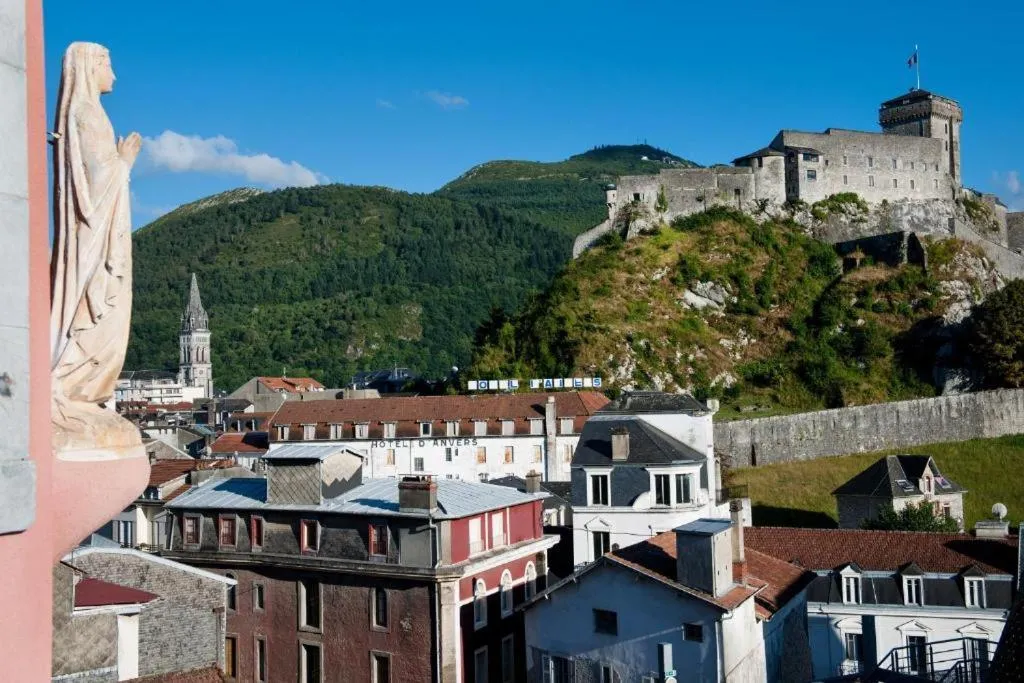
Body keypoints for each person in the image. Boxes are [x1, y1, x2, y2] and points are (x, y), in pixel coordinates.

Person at [50, 42, 141, 446]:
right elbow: (96, 188)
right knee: (101, 312)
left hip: (100, 234)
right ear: (90, 67)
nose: (115, 75)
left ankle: (82, 390)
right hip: (98, 242)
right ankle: (72, 385)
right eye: (108, 64)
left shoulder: (86, 114)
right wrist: (125, 161)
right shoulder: (87, 114)